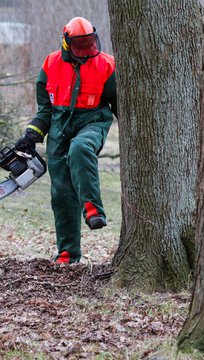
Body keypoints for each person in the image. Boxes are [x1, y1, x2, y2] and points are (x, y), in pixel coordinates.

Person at [15, 17, 117, 264]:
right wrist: (31, 135)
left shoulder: (107, 65)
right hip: (59, 128)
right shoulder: (51, 64)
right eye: (80, 44)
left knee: (80, 148)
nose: (85, 49)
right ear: (67, 42)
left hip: (92, 121)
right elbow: (45, 110)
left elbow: (120, 104)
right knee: (61, 193)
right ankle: (67, 254)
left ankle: (93, 210)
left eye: (89, 42)